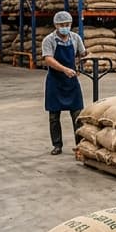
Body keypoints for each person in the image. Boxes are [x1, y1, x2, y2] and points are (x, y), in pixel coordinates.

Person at [42, 11, 86, 155]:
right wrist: (64, 69)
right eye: (62, 25)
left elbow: (82, 54)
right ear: (56, 25)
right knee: (54, 116)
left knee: (77, 114)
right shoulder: (49, 40)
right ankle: (57, 145)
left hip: (71, 82)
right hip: (55, 81)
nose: (65, 27)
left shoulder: (75, 38)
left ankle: (80, 145)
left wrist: (80, 66)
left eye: (67, 25)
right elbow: (48, 59)